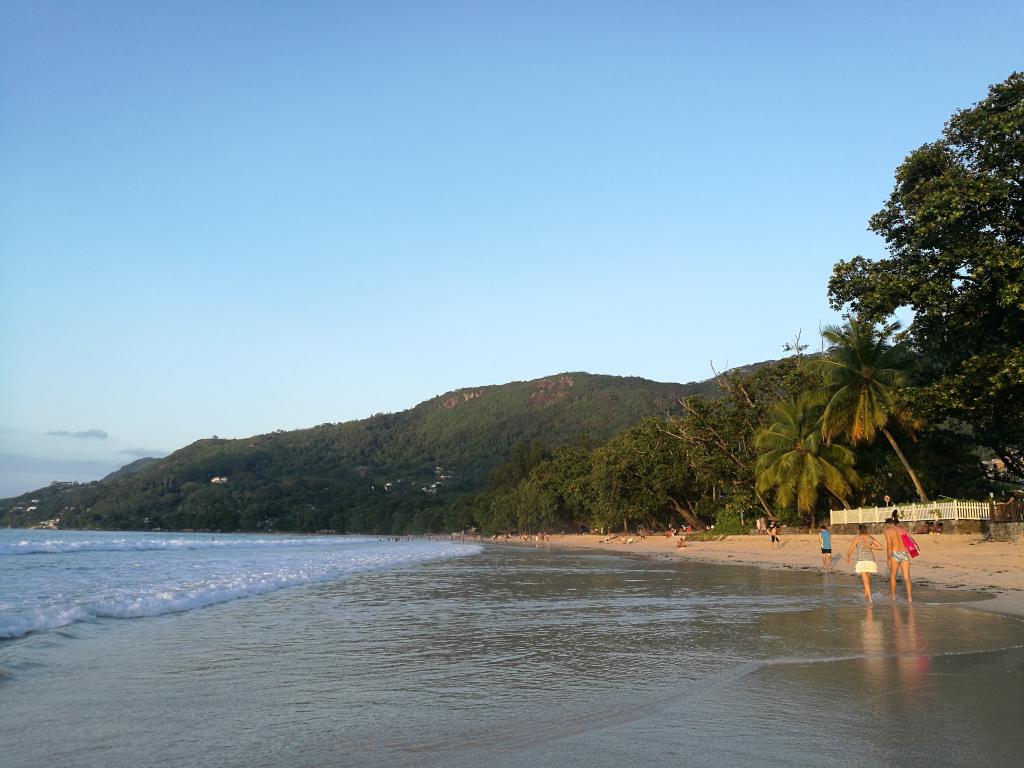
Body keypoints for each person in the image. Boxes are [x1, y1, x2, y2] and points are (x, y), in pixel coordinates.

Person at [846, 523, 883, 602]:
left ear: (859, 530)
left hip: (862, 561)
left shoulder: (857, 538)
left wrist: (848, 557)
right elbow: (880, 547)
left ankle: (870, 598)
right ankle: (866, 597)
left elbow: (851, 549)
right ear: (866, 530)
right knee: (867, 580)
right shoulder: (870, 537)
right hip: (870, 561)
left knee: (865, 581)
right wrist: (870, 547)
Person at [884, 516, 915, 602]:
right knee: (907, 577)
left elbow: (889, 545)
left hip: (895, 554)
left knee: (893, 576)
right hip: (904, 554)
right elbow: (908, 541)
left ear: (888, 524)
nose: (885, 527)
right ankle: (910, 598)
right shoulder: (902, 529)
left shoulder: (888, 531)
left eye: (886, 525)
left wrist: (888, 559)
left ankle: (893, 597)